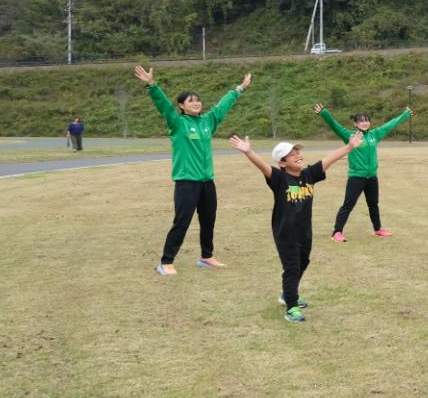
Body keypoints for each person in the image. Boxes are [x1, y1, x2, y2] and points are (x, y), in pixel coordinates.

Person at [228, 132, 362, 322]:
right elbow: (264, 167)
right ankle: (291, 307)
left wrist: (349, 147)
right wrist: (249, 152)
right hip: (286, 233)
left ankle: (287, 294)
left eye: (298, 151)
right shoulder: (279, 178)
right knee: (291, 268)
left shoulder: (309, 175)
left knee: (303, 262)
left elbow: (328, 160)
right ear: (282, 163)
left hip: (304, 231)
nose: (298, 155)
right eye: (292, 154)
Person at [134, 64, 252, 276]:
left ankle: (206, 257)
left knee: (208, 220)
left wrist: (240, 88)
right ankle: (166, 261)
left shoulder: (208, 121)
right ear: (181, 106)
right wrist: (152, 85)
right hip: (187, 181)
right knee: (182, 221)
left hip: (207, 181)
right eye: (191, 101)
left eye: (198, 100)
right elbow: (163, 107)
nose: (196, 103)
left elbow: (222, 106)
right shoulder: (177, 122)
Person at [315, 103, 413, 241]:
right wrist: (324, 113)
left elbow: (390, 125)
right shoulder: (349, 135)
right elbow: (334, 125)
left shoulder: (375, 135)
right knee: (348, 204)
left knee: (373, 204)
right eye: (361, 121)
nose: (365, 123)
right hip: (356, 177)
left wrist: (405, 115)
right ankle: (337, 232)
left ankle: (378, 229)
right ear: (355, 123)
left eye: (367, 120)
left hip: (372, 177)